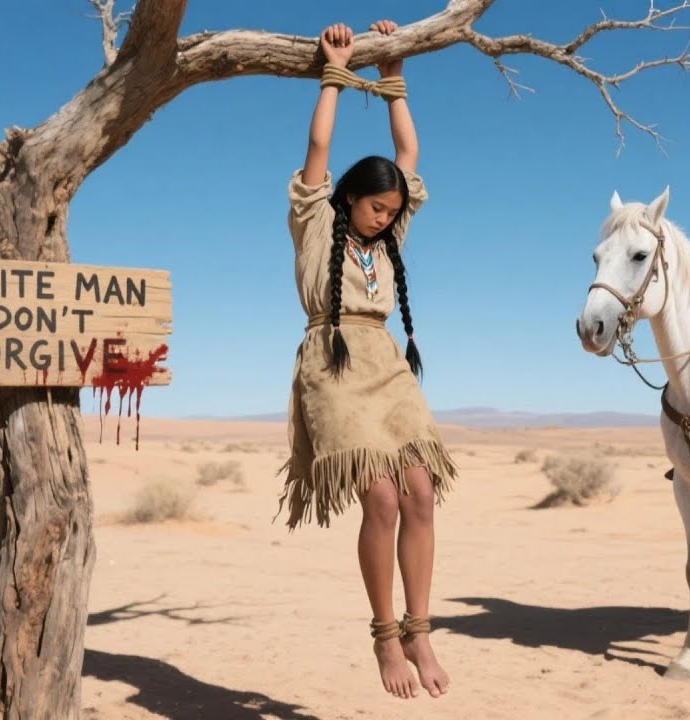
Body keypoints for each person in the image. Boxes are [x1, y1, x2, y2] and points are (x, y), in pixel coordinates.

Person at [277, 20, 458, 700]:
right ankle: (386, 636)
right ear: (350, 197)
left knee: (419, 491)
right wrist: (335, 69)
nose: (386, 218)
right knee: (379, 496)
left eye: (392, 211)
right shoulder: (316, 220)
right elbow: (319, 144)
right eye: (377, 207)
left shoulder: (388, 234)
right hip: (332, 360)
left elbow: (408, 147)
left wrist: (391, 73)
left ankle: (420, 629)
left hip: (386, 362)